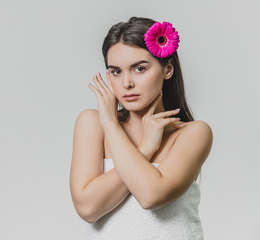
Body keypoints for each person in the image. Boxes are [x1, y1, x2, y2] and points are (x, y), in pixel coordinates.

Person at [69, 16, 213, 239]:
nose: (126, 83)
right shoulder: (93, 124)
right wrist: (143, 146)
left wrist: (112, 128)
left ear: (168, 69)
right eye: (116, 71)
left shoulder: (193, 133)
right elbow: (87, 209)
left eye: (139, 69)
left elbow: (151, 195)